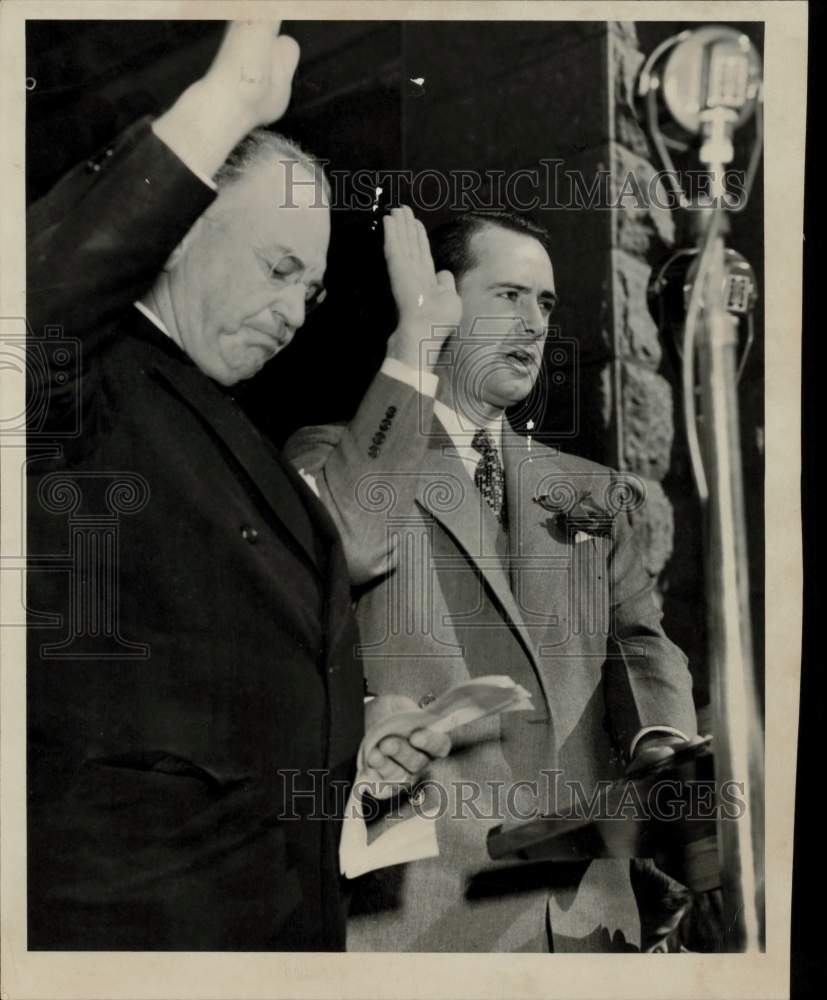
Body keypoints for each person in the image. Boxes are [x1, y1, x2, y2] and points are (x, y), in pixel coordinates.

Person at [26, 21, 447, 952]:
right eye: (277, 268)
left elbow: (352, 546)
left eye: (313, 290)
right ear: (173, 237)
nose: (294, 313)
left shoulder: (227, 431)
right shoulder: (83, 380)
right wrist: (212, 117)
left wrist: (358, 745)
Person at [285, 207, 700, 952]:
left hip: (584, 912)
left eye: (544, 304)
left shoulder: (592, 491)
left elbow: (639, 642)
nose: (534, 323)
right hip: (428, 908)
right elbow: (347, 543)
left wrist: (662, 747)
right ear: (438, 296)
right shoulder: (337, 457)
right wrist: (415, 339)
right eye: (507, 295)